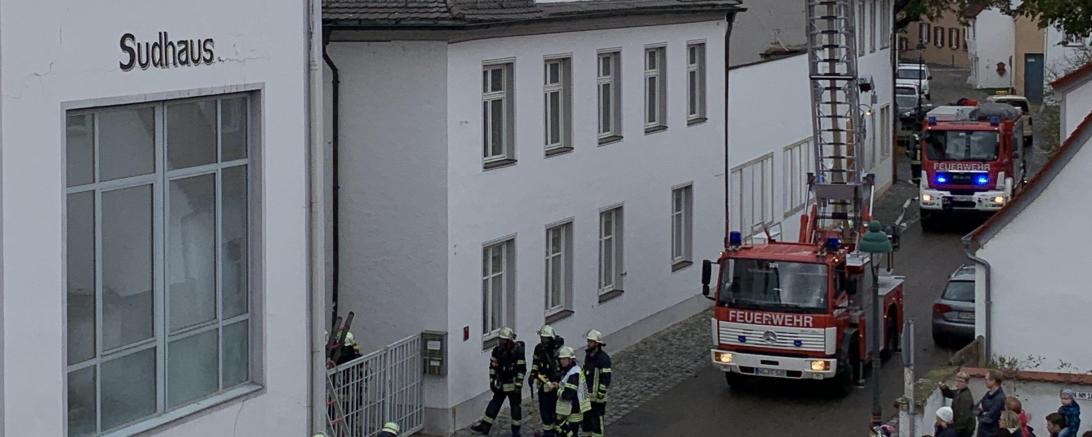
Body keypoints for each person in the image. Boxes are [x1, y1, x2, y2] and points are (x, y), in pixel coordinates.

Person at [471, 327, 527, 437]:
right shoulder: (497, 351)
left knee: (515, 408)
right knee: (494, 405)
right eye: (500, 339)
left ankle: (516, 431)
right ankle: (485, 426)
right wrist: (492, 382)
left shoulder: (517, 351)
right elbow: (492, 367)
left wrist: (518, 385)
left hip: (513, 385)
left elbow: (521, 369)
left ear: (509, 340)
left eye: (503, 340)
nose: (501, 342)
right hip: (501, 384)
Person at [530, 325, 564, 437]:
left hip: (555, 386)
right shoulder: (539, 349)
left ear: (550, 338)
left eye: (545, 339)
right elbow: (535, 363)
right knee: (545, 412)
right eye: (542, 338)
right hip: (542, 385)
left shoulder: (559, 350)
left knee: (556, 412)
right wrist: (532, 374)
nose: (543, 341)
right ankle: (548, 433)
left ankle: (558, 432)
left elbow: (563, 368)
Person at [555, 346, 591, 437]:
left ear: (570, 360)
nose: (561, 361)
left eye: (564, 359)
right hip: (570, 409)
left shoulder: (574, 373)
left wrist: (557, 390)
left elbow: (568, 394)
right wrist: (558, 385)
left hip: (573, 410)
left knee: (571, 433)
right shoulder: (570, 370)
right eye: (561, 359)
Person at [582, 330, 612, 437]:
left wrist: (600, 394)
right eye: (588, 341)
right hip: (587, 397)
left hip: (598, 399)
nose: (588, 343)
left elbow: (606, 378)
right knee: (586, 423)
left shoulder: (603, 358)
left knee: (597, 424)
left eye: (590, 341)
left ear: (597, 343)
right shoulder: (588, 355)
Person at [940, 371, 977, 437]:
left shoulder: (965, 397)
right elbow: (950, 394)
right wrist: (944, 388)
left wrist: (953, 428)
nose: (958, 383)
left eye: (961, 381)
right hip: (959, 426)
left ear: (966, 383)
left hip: (964, 430)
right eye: (957, 381)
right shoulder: (959, 391)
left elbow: (964, 418)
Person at [975, 369, 1007, 437]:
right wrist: (982, 412)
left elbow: (988, 418)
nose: (985, 381)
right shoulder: (988, 394)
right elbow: (975, 409)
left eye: (986, 379)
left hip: (991, 434)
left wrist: (981, 413)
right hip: (982, 432)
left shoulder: (1000, 398)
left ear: (993, 381)